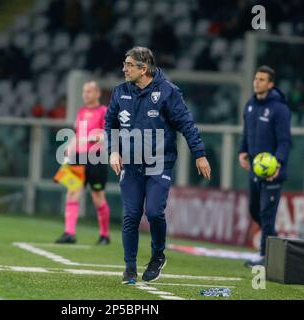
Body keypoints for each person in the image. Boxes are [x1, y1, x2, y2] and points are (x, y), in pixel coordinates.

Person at [105, 47, 211, 284]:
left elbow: (186, 124)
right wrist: (113, 151)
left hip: (159, 162)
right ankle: (129, 268)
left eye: (129, 65)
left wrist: (199, 154)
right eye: (124, 63)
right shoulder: (120, 92)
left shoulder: (168, 92)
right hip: (131, 164)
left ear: (144, 69)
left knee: (153, 212)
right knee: (131, 215)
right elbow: (110, 122)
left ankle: (157, 257)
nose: (124, 68)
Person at [238, 65, 291, 268]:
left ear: (270, 84)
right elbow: (246, 134)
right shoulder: (250, 105)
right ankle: (277, 247)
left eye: (261, 80)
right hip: (254, 170)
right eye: (255, 79)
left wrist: (277, 164)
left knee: (267, 214)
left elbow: (285, 141)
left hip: (272, 172)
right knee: (254, 211)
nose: (256, 82)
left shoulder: (280, 109)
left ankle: (265, 256)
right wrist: (242, 151)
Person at [55, 81, 111, 245]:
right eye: (84, 91)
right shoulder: (81, 112)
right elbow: (77, 134)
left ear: (97, 93)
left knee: (97, 197)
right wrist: (70, 148)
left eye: (89, 91)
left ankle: (104, 235)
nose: (85, 95)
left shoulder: (103, 111)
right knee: (72, 192)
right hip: (78, 158)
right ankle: (69, 233)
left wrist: (96, 137)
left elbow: (106, 134)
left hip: (96, 159)